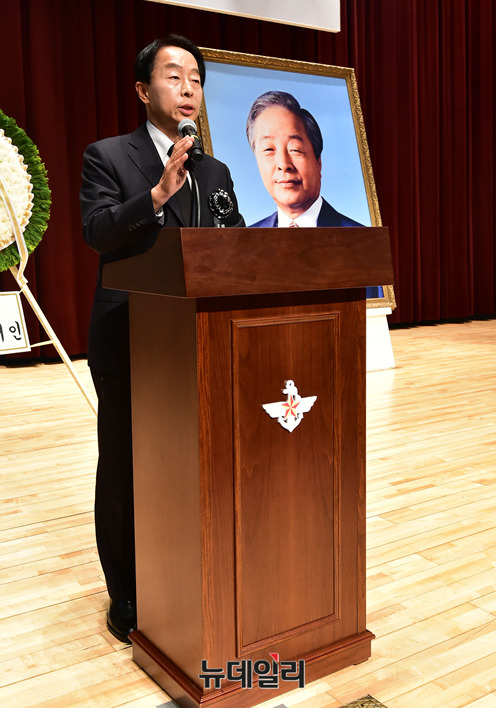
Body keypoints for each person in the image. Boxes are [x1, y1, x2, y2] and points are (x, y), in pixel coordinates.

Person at [80, 34, 244, 644]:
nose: (188, 89)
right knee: (126, 463)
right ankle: (126, 592)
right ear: (143, 90)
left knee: (191, 460)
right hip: (129, 334)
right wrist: (155, 196)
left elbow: (232, 244)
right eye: (174, 77)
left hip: (200, 337)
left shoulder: (215, 169)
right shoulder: (108, 155)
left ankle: (184, 571)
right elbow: (98, 231)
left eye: (196, 79)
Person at [246, 90, 381, 296]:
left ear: (318, 162)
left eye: (295, 149)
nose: (283, 164)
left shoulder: (363, 246)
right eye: (268, 150)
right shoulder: (244, 245)